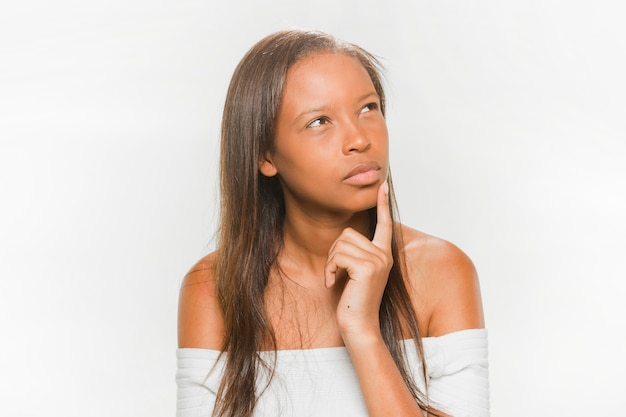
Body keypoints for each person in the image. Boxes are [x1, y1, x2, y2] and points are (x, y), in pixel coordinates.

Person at [176, 30, 489, 417]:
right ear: (265, 155)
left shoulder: (441, 271)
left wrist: (363, 333)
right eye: (320, 121)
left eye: (367, 108)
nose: (359, 138)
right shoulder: (213, 288)